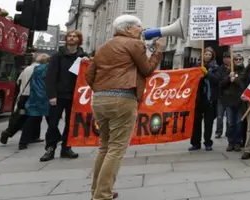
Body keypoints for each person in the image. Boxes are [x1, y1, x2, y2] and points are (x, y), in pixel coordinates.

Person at [85, 15, 163, 200]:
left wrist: (102, 90)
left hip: (99, 99)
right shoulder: (134, 44)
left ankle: (97, 189)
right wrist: (158, 51)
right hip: (123, 98)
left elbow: (90, 75)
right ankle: (102, 194)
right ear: (127, 29)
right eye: (138, 26)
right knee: (116, 148)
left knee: (104, 147)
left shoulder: (103, 46)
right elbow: (146, 70)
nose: (141, 29)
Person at [41, 30, 88, 162]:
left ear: (79, 40)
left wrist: (87, 64)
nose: (72, 38)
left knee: (71, 124)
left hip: (74, 96)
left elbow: (88, 76)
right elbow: (50, 76)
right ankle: (50, 147)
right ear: (66, 39)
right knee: (52, 123)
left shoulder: (83, 56)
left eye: (75, 36)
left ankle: (66, 148)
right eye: (70, 36)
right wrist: (51, 95)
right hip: (58, 95)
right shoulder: (57, 56)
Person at [0, 54, 49, 146]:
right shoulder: (41, 69)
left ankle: (12, 132)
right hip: (34, 96)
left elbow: (19, 81)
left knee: (22, 116)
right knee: (33, 118)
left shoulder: (27, 68)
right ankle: (25, 137)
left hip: (23, 96)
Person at [190, 47, 219, 151]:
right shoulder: (197, 66)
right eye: (205, 54)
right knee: (196, 122)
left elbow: (216, 80)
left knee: (208, 123)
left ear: (212, 56)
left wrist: (206, 73)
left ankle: (208, 142)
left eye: (209, 54)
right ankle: (195, 143)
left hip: (209, 99)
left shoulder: (215, 67)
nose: (207, 56)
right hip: (198, 99)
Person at [18, 59, 51, 150]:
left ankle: (23, 142)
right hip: (45, 98)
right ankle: (55, 137)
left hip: (34, 97)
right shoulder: (49, 69)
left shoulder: (37, 68)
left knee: (31, 120)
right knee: (51, 120)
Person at [217, 52, 245, 152]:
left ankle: (238, 142)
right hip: (229, 101)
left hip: (240, 101)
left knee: (238, 123)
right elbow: (221, 84)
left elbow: (244, 85)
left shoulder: (244, 71)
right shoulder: (228, 71)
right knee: (230, 123)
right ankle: (230, 142)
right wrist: (229, 78)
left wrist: (236, 79)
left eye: (239, 59)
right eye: (236, 59)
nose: (238, 61)